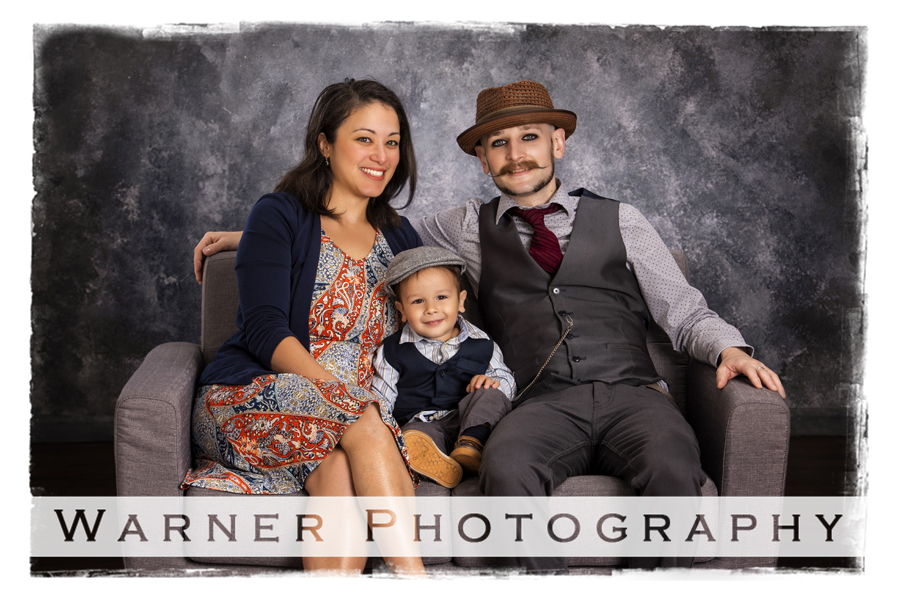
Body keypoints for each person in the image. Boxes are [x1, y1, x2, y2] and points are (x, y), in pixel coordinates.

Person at [193, 80, 786, 574]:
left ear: (559, 142)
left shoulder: (615, 220)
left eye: (530, 138)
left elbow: (681, 308)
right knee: (481, 462)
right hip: (497, 397)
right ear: (482, 158)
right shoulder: (459, 230)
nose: (516, 154)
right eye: (499, 143)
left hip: (628, 391)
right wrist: (247, 243)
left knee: (672, 467)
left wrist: (727, 346)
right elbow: (312, 258)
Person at [182, 78, 427, 577]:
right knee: (363, 418)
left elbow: (442, 289)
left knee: (338, 470)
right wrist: (337, 394)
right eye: (363, 138)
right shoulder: (280, 214)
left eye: (392, 141)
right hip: (255, 393)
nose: (380, 154)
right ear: (324, 142)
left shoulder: (400, 235)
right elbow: (265, 330)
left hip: (343, 423)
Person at [371, 246, 515, 488]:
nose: (431, 309)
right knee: (415, 437)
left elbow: (506, 380)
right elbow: (381, 398)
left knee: (491, 396)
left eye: (441, 297)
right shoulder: (392, 350)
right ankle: (433, 462)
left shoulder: (482, 343)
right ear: (402, 311)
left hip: (469, 420)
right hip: (422, 423)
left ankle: (471, 446)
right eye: (418, 301)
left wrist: (493, 383)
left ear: (460, 301)